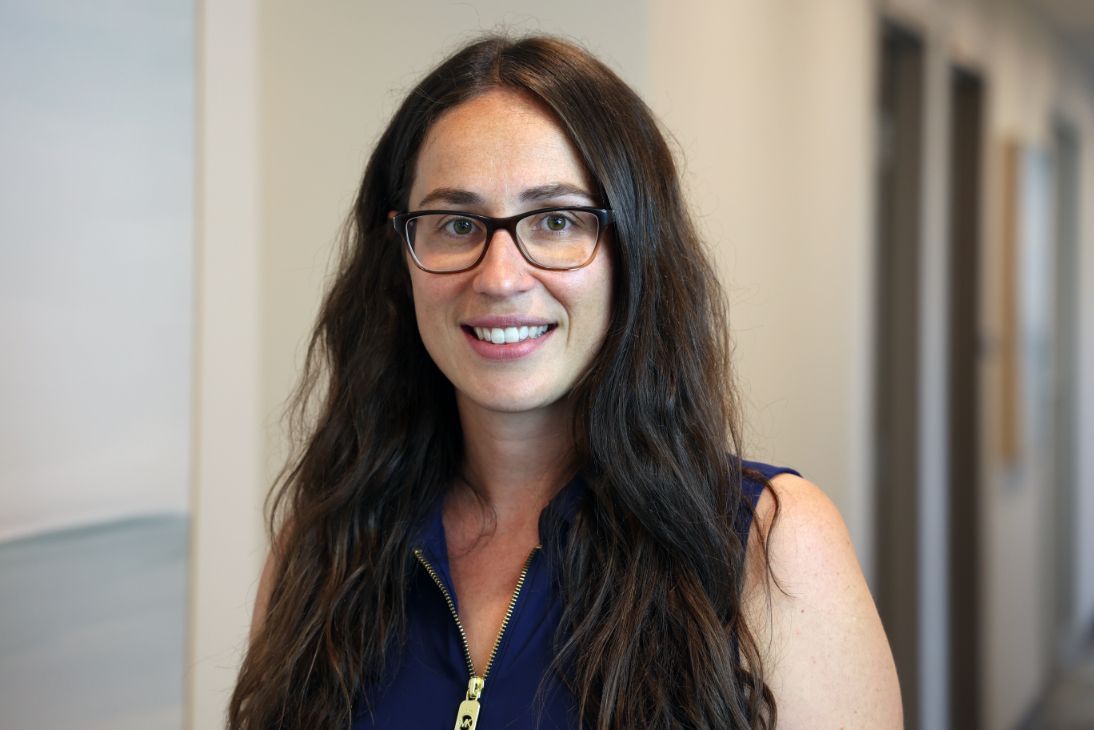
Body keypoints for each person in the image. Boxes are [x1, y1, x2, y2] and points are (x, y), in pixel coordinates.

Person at [228, 35, 901, 730]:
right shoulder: (324, 549)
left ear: (634, 247)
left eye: (556, 220)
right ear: (400, 253)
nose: (499, 277)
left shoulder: (769, 543)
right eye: (456, 224)